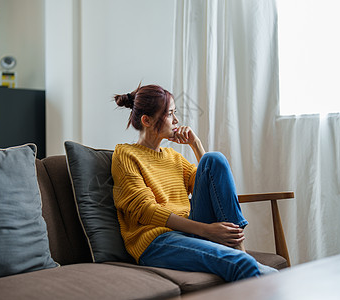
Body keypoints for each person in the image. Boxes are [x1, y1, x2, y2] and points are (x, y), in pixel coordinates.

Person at [111, 84, 277, 282]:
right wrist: (206, 230)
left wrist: (196, 144)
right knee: (244, 264)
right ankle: (241, 256)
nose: (176, 121)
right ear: (146, 120)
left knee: (213, 159)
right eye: (170, 114)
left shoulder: (173, 157)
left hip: (188, 231)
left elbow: (211, 183)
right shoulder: (125, 155)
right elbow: (146, 211)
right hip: (158, 242)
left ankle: (238, 247)